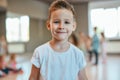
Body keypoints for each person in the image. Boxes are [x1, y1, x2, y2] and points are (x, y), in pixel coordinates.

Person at [29, 0, 88, 80]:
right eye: (56, 22)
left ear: (73, 26)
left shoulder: (78, 54)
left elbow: (83, 78)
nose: (61, 26)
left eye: (66, 22)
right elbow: (32, 78)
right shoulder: (40, 52)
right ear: (49, 25)